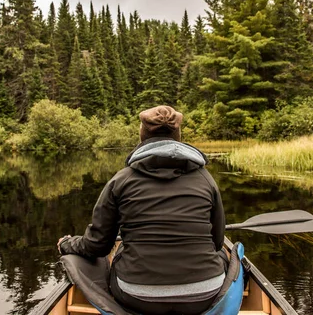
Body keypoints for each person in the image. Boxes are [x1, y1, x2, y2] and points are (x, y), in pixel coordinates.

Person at [57, 105, 227, 315]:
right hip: (205, 294)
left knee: (117, 250)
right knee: (227, 255)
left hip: (137, 296)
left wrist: (68, 243)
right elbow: (218, 241)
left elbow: (97, 246)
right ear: (179, 136)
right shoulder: (205, 178)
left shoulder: (121, 180)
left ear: (141, 136)